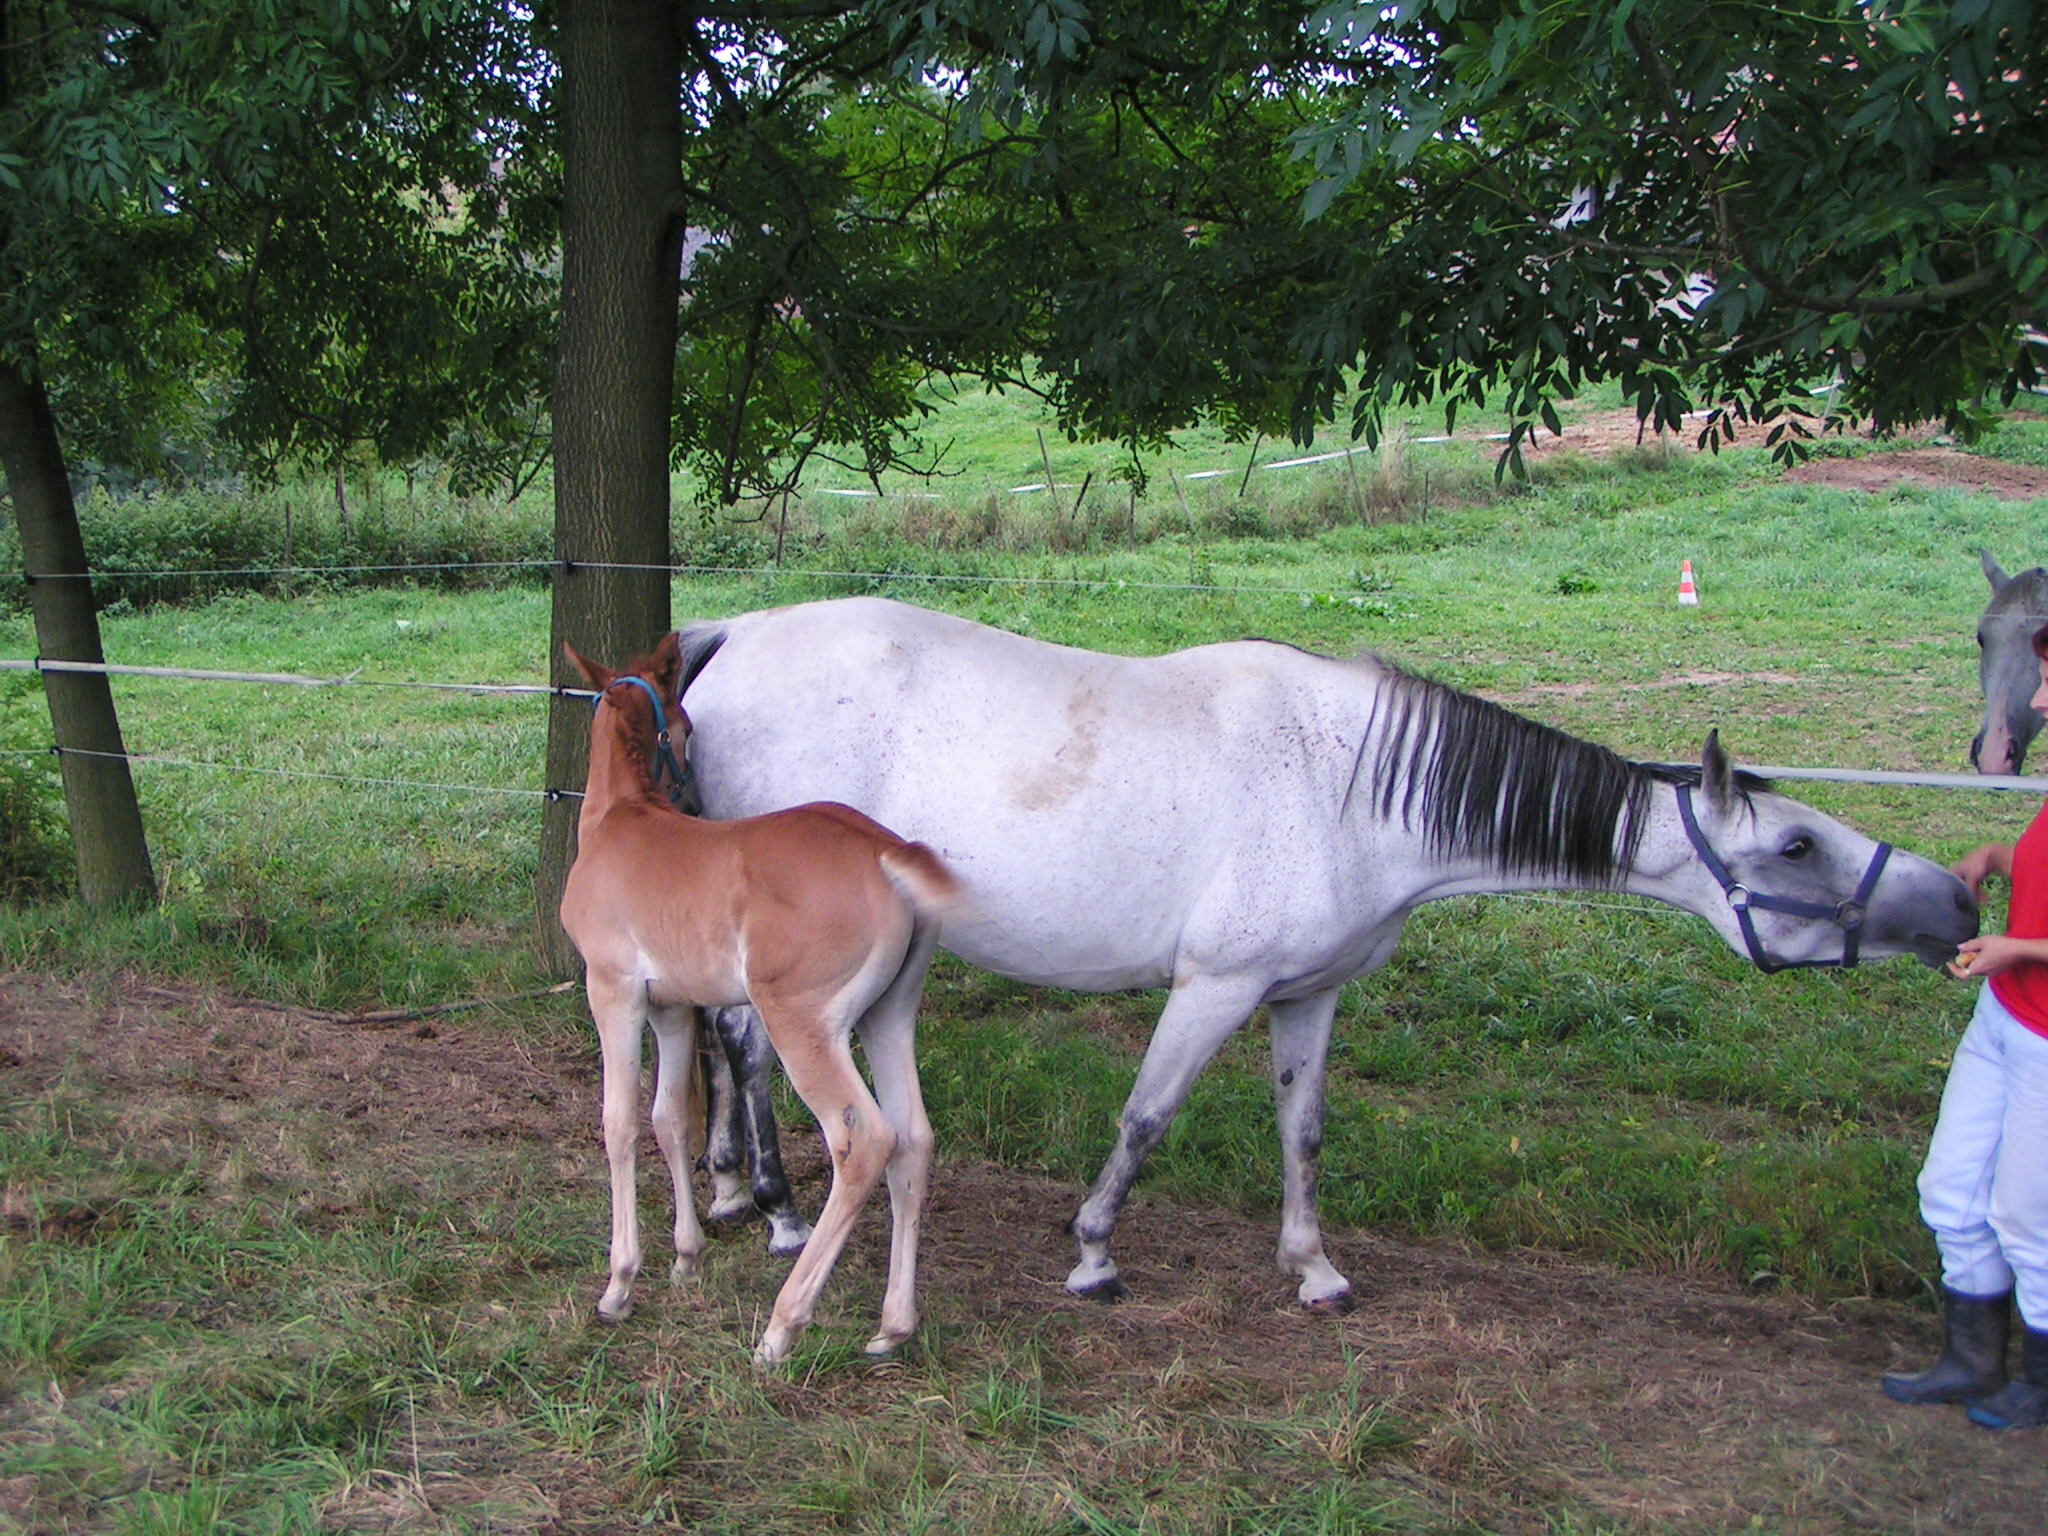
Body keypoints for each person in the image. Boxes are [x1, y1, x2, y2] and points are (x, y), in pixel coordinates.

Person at [1883, 622, 2048, 1430]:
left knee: (2030, 1216)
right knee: (1949, 1189)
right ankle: (1972, 1361)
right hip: (2003, 1017)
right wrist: (1993, 855)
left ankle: (2041, 1386)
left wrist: (2018, 946)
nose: (2040, 701)